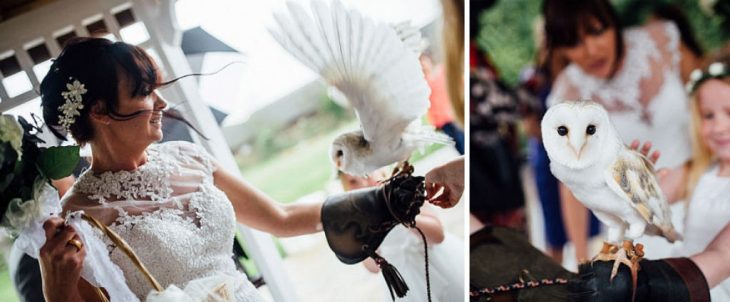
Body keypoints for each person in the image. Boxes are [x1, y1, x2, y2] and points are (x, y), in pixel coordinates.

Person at [34, 37, 400, 302]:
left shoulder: (188, 157)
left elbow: (282, 217)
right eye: (145, 92)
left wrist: (380, 200)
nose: (162, 102)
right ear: (98, 111)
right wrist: (57, 291)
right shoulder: (80, 220)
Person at [542, 0, 701, 261]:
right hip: (640, 230)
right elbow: (573, 184)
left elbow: (712, 106)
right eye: (573, 42)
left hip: (704, 192)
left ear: (613, 23)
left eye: (596, 31)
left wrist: (695, 169)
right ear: (560, 50)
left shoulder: (662, 41)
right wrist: (582, 261)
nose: (590, 50)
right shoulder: (568, 93)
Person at [338, 170, 464, 302]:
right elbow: (372, 268)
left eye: (366, 175)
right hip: (402, 278)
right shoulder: (357, 217)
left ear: (380, 170)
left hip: (434, 262)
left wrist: (401, 215)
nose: (363, 184)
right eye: (353, 182)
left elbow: (438, 235)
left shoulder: (403, 190)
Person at [421, 54, 464, 155]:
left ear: (429, 60)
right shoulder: (424, 83)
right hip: (442, 121)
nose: (423, 65)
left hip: (453, 114)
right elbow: (427, 106)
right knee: (457, 145)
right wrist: (433, 122)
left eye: (423, 61)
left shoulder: (442, 71)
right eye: (420, 63)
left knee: (463, 140)